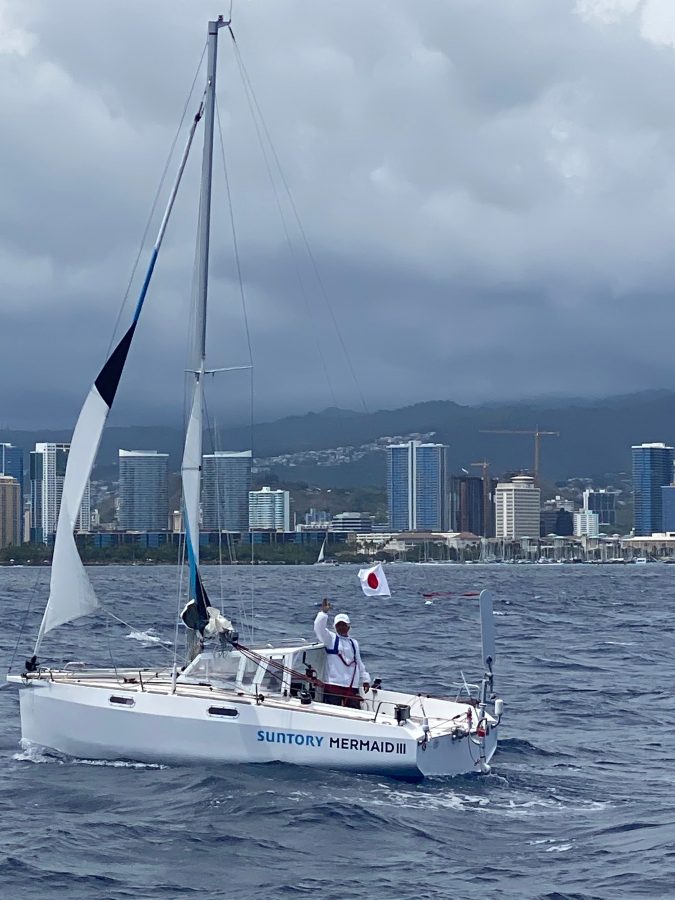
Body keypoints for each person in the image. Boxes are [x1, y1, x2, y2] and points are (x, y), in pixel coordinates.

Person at [313, 598, 370, 709]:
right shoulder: (330, 639)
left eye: (344, 625)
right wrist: (323, 613)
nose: (341, 627)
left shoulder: (354, 643)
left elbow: (358, 663)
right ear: (335, 627)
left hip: (351, 686)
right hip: (333, 685)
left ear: (348, 626)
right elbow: (319, 629)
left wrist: (365, 679)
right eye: (338, 625)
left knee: (355, 713)